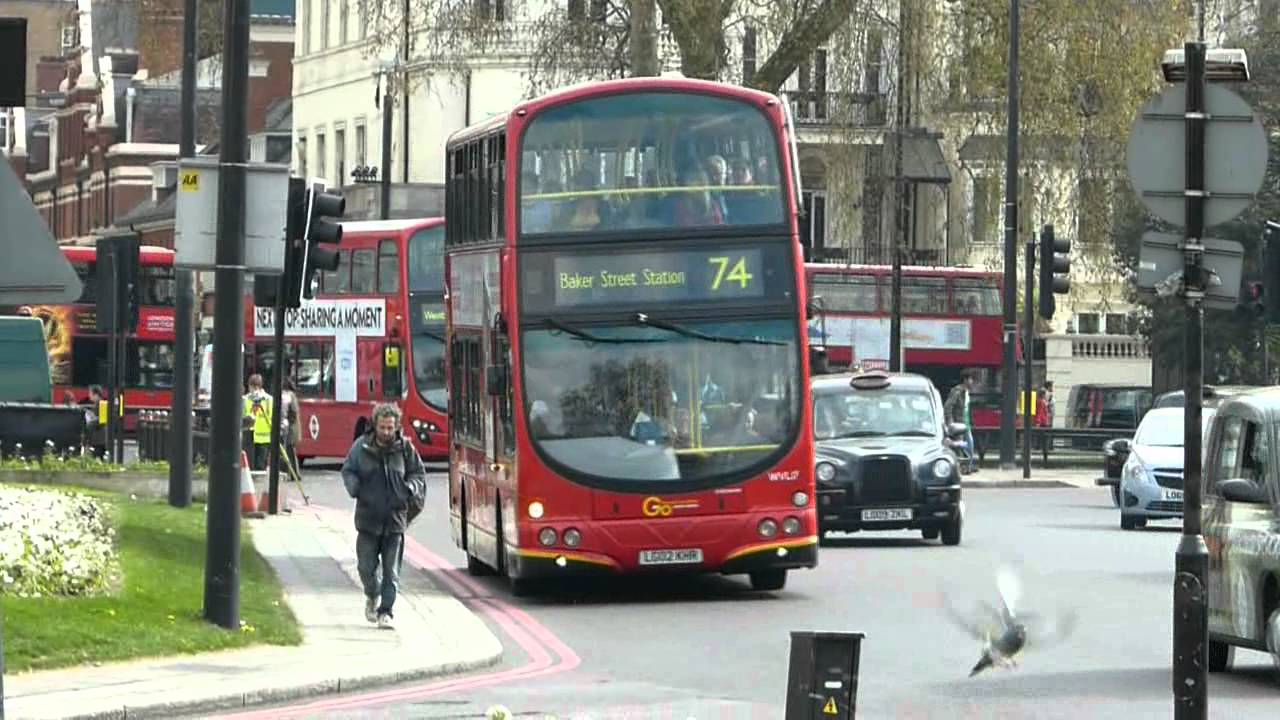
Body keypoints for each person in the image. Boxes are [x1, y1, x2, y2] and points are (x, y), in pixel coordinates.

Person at [341, 403, 426, 629]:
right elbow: (348, 470)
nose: (386, 432)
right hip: (368, 520)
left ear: (396, 426)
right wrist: (354, 487)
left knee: (392, 572)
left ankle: (386, 612)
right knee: (365, 568)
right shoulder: (361, 447)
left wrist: (410, 488)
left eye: (390, 427)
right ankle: (372, 594)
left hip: (395, 521)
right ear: (375, 425)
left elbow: (418, 474)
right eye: (382, 427)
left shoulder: (405, 449)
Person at [945, 371, 977, 472]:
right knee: (962, 446)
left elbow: (967, 409)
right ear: (965, 380)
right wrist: (950, 422)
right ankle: (964, 467)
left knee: (969, 445)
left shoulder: (967, 393)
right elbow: (948, 406)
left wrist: (972, 421)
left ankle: (968, 466)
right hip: (958, 424)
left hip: (966, 424)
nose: (972, 382)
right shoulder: (957, 391)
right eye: (970, 379)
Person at [242, 374, 273, 470]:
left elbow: (271, 416)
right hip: (250, 435)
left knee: (260, 465)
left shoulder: (268, 399)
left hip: (263, 436)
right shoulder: (245, 399)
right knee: (250, 465)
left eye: (250, 387)